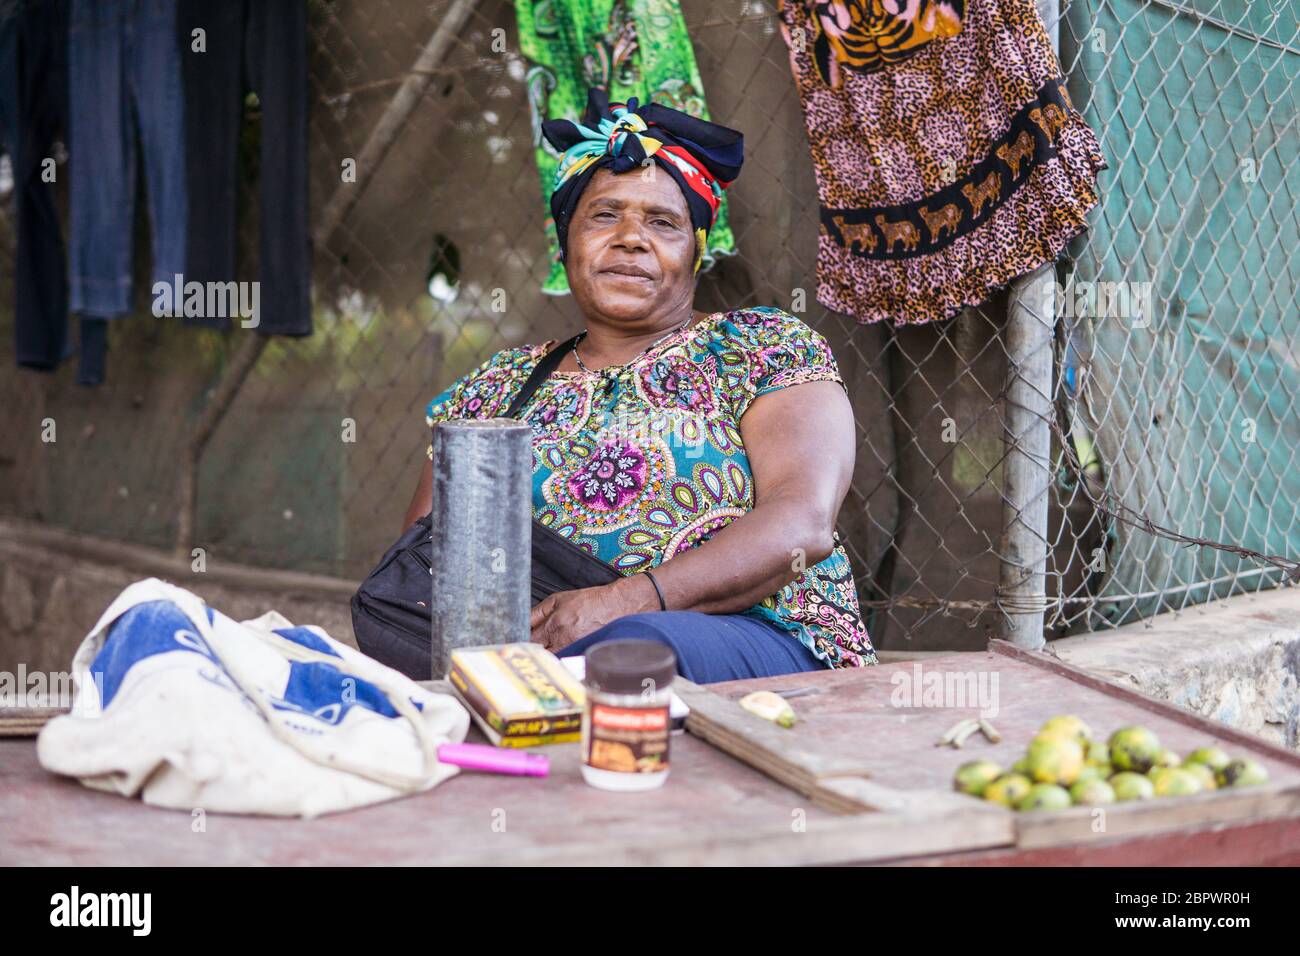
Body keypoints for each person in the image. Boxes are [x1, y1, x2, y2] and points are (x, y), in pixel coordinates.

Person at [403, 89, 877, 682]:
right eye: (604, 215)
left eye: (663, 222)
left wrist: (620, 602)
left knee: (630, 651)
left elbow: (802, 524)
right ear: (565, 242)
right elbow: (422, 568)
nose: (630, 237)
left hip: (764, 637)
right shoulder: (496, 387)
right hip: (523, 653)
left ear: (695, 253)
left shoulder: (759, 347)